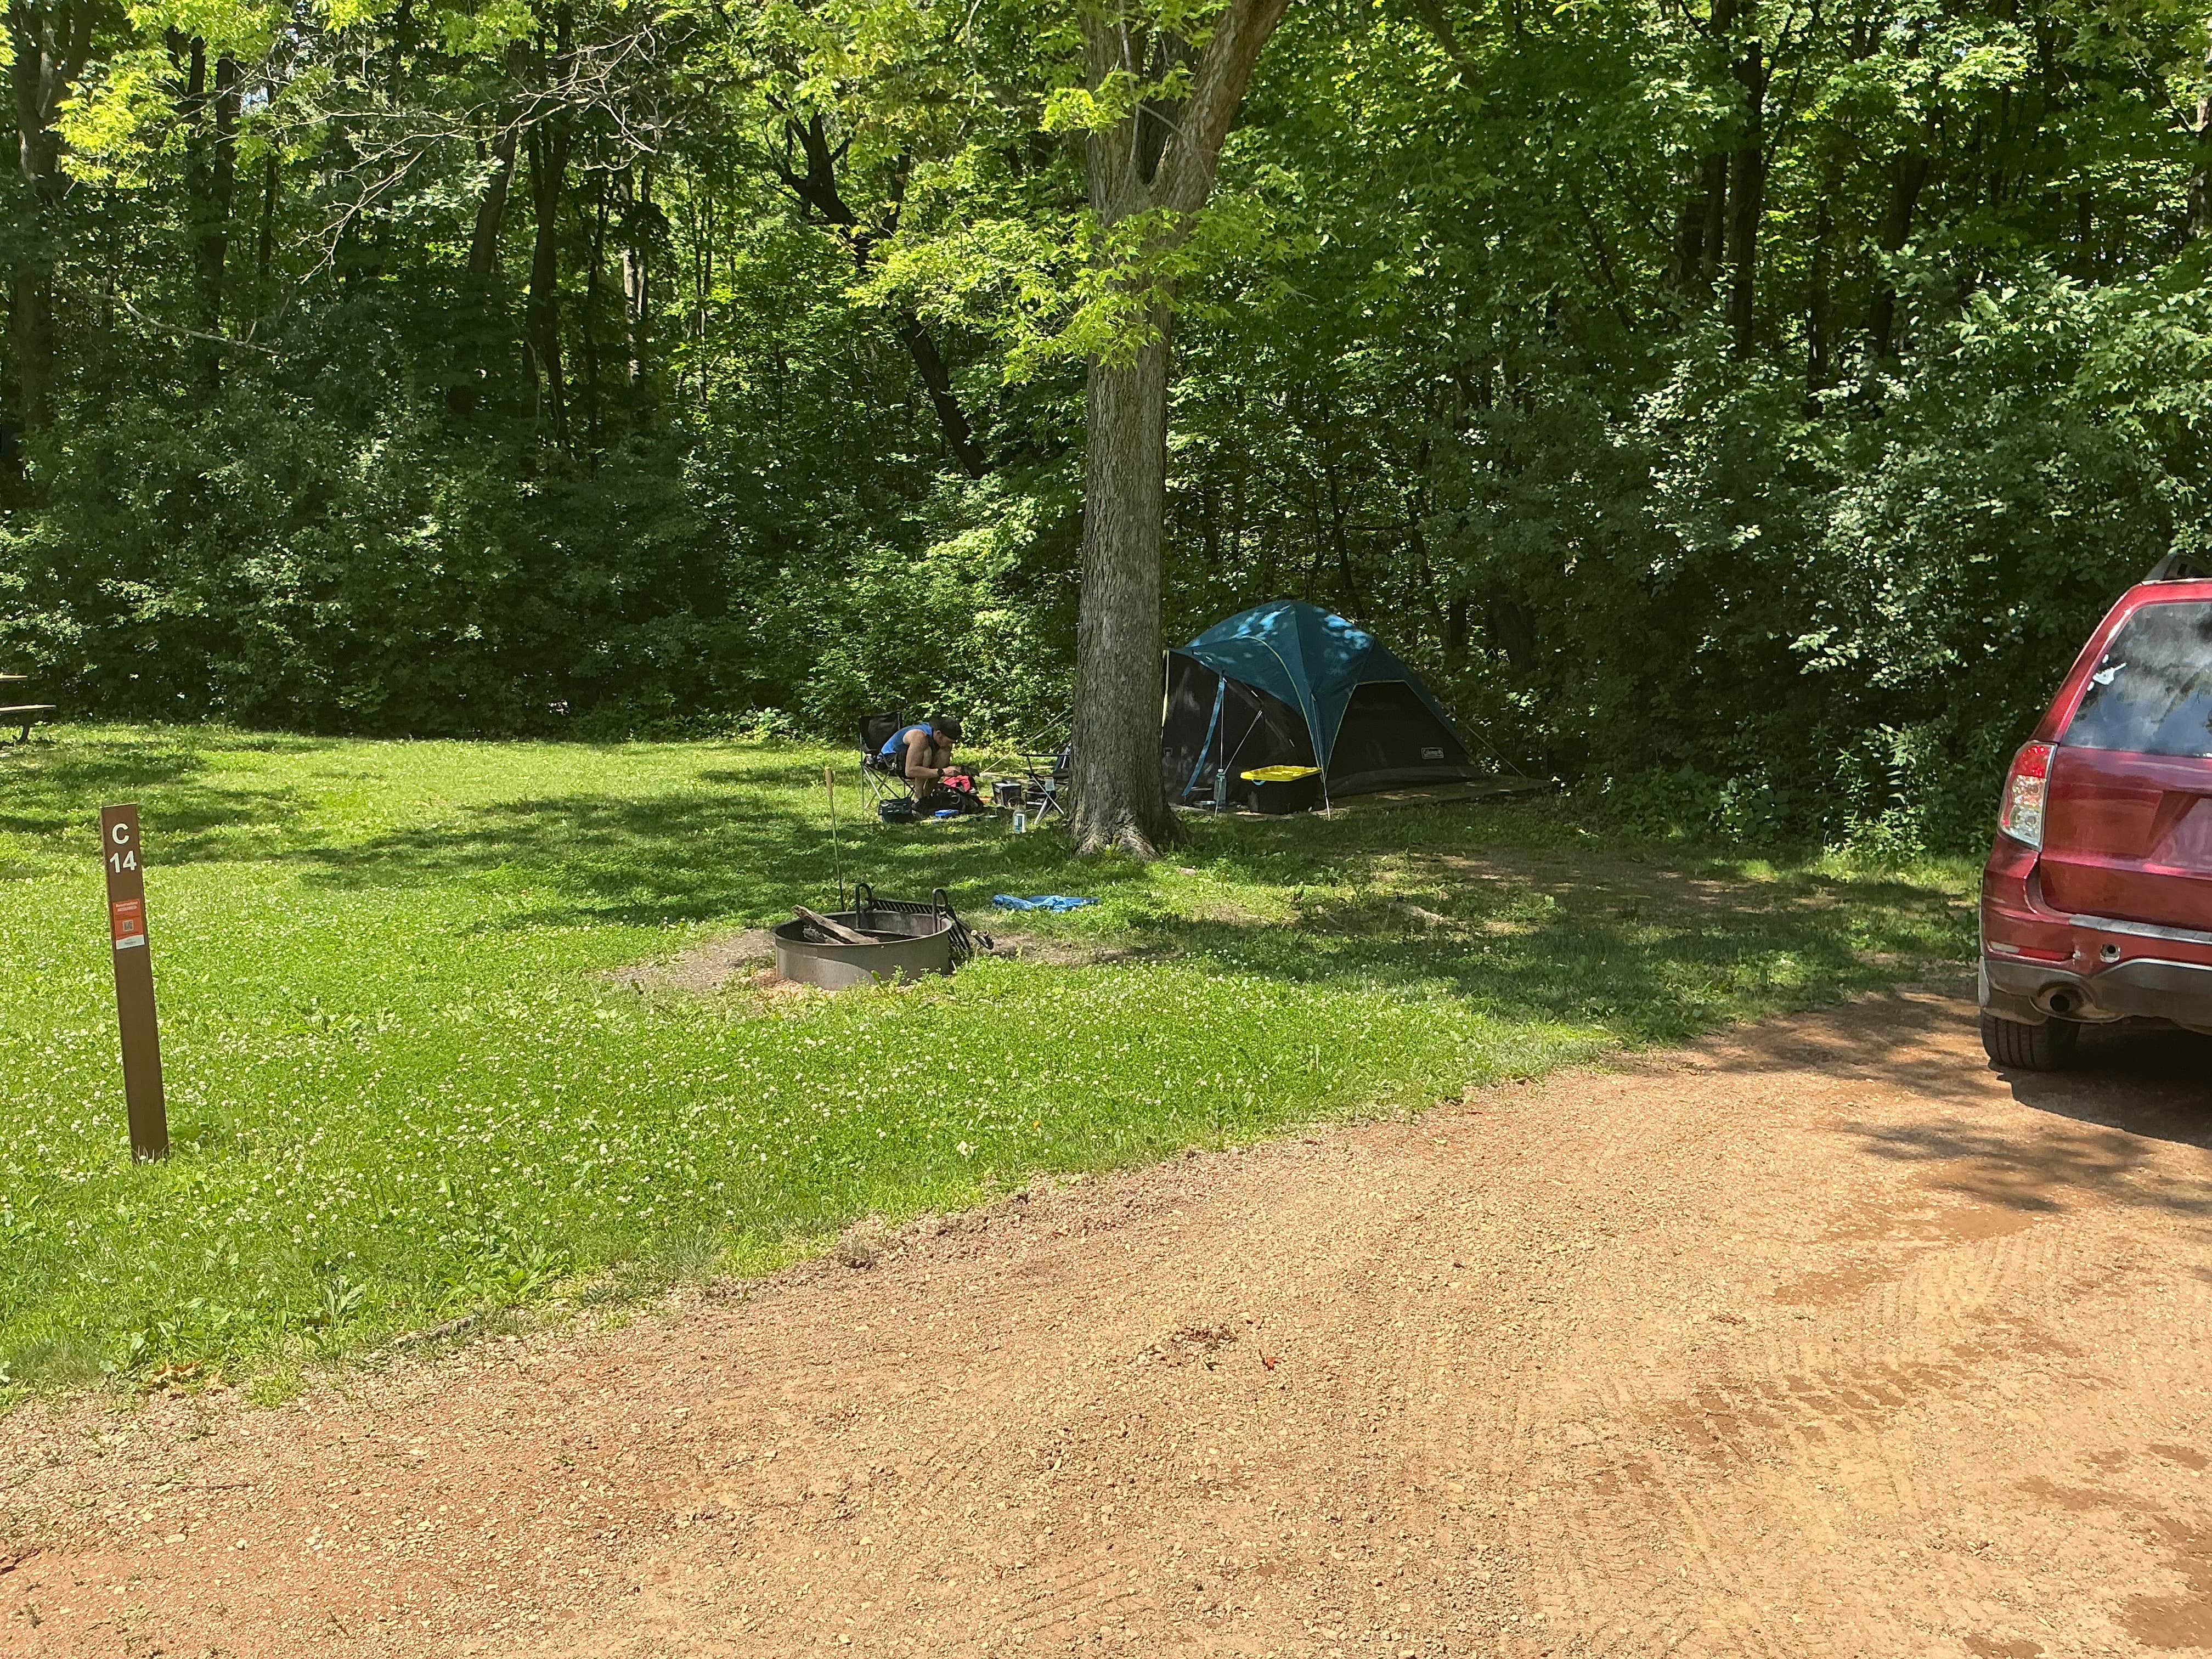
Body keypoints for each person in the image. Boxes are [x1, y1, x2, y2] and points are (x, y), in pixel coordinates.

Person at [882, 716, 964, 798]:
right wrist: (942, 772)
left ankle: (927, 797)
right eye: (949, 742)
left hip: (908, 759)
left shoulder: (935, 734)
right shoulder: (919, 736)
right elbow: (910, 771)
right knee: (927, 752)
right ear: (939, 734)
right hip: (888, 760)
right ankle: (919, 798)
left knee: (945, 752)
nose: (950, 745)